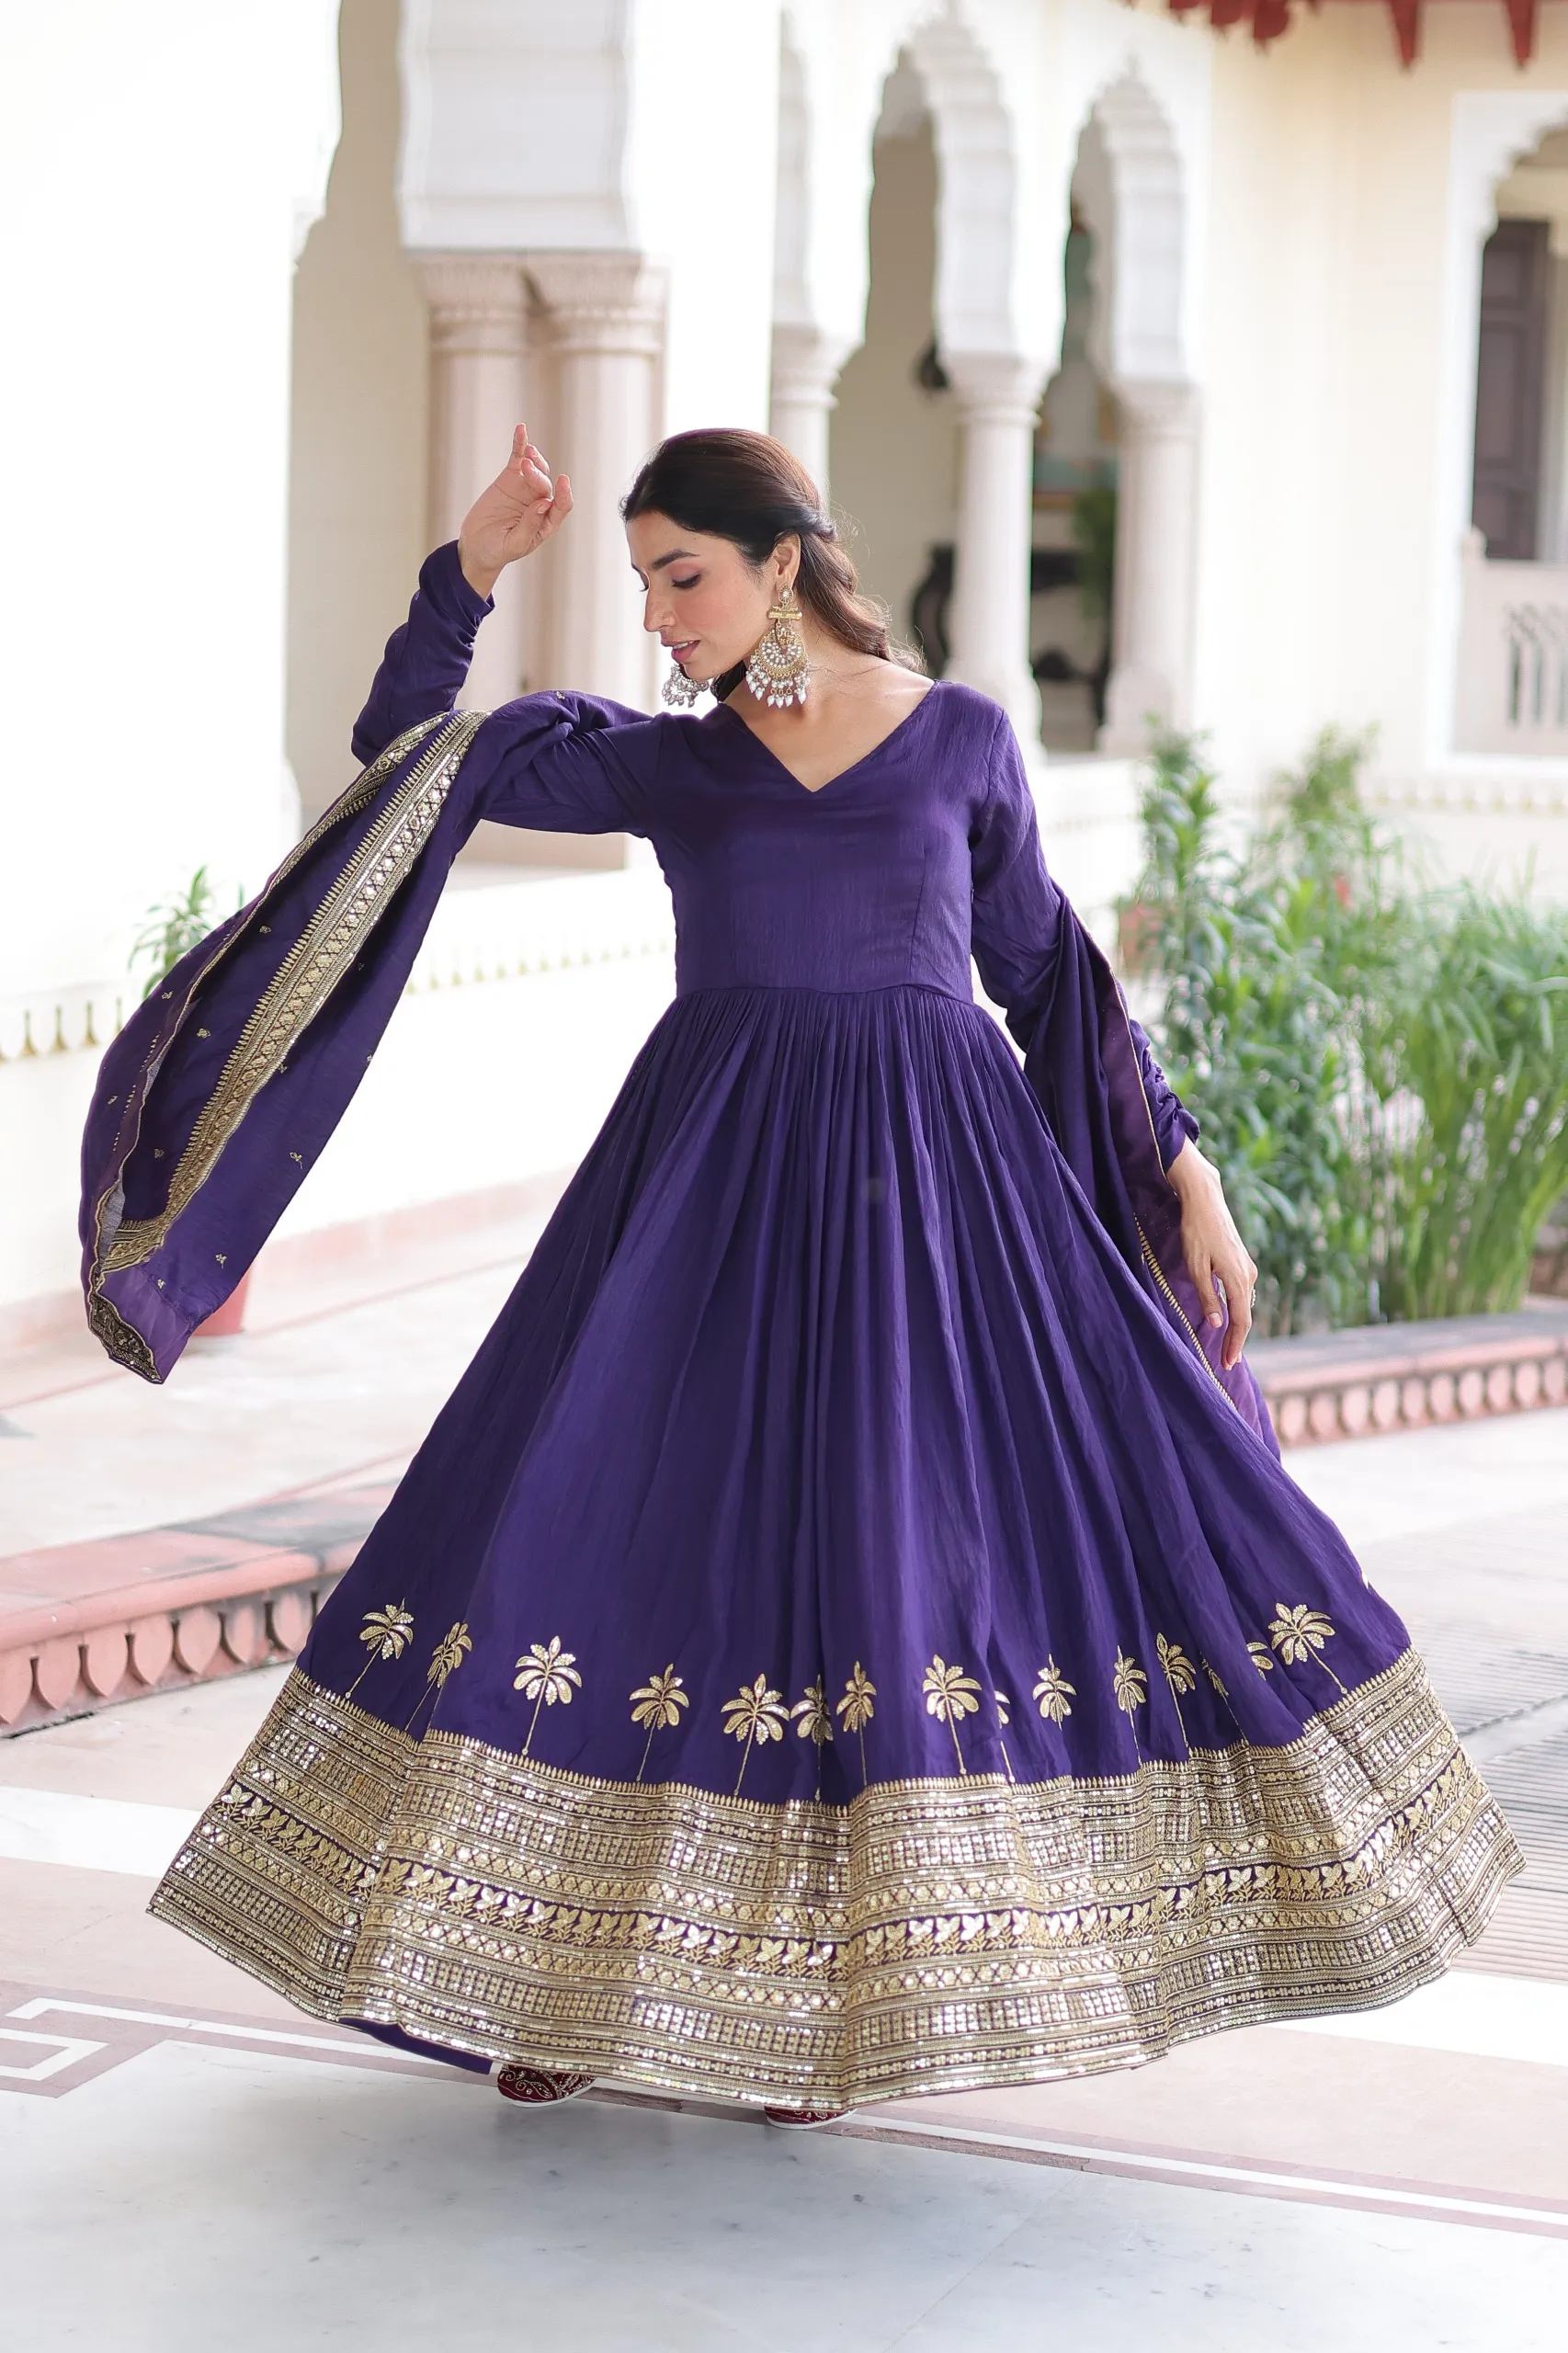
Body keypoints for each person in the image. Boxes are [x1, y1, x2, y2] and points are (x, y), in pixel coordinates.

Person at [82, 427, 1518, 2131]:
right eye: (641, 584)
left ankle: (825, 2014)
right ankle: (555, 1976)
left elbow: (1044, 972)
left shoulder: (961, 738)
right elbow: (410, 760)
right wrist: (469, 570)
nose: (658, 615)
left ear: (784, 559)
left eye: (682, 574)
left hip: (936, 1211)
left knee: (875, 1565)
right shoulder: (674, 765)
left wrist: (1182, 1169)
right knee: (624, 1530)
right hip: (702, 1202)